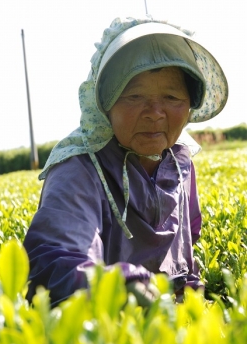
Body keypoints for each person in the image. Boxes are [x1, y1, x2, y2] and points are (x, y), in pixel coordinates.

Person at [24, 16, 228, 307]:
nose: (155, 113)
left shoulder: (179, 160)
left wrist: (192, 295)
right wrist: (118, 286)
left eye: (171, 97)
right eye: (134, 96)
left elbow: (185, 250)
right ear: (105, 103)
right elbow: (55, 260)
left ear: (190, 104)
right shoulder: (79, 169)